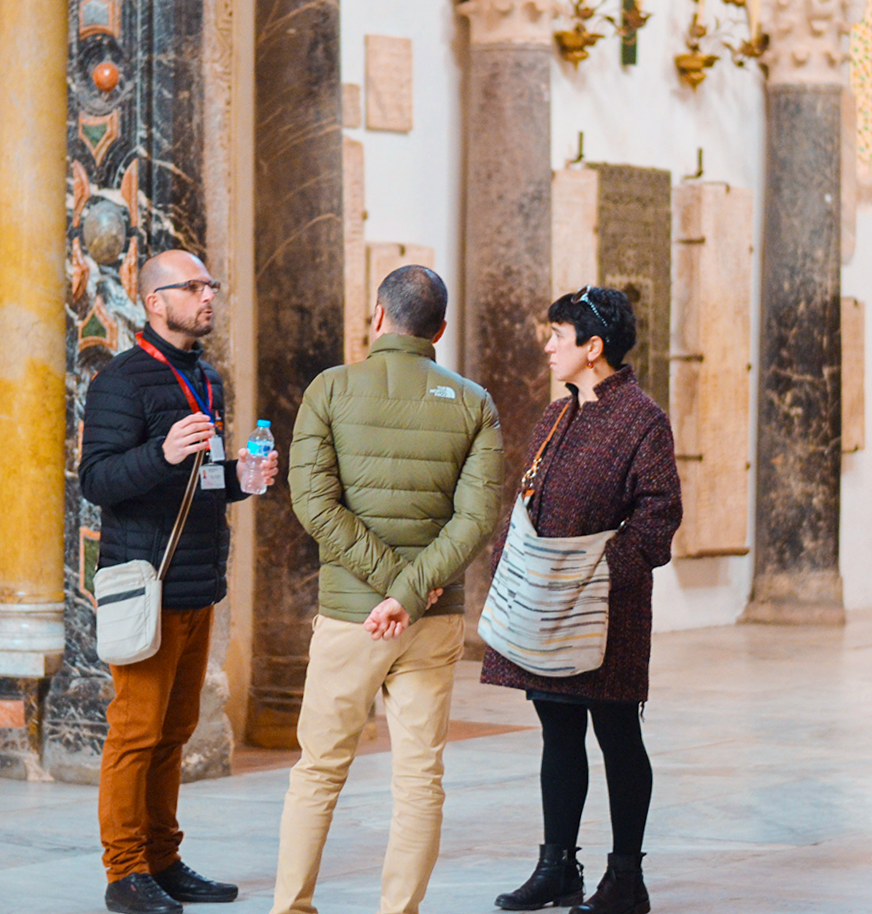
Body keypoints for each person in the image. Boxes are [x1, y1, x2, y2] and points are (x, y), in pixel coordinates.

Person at [274, 265, 504, 914]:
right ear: (441, 329)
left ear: (377, 316)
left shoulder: (331, 389)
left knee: (318, 771)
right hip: (430, 622)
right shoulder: (472, 401)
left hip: (351, 617)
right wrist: (410, 591)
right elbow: (476, 519)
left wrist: (386, 589)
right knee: (420, 780)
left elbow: (314, 505)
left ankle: (292, 907)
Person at [80, 249, 281, 914]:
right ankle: (125, 872)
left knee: (175, 731)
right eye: (191, 286)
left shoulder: (206, 378)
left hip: (196, 584)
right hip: (145, 583)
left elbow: (206, 481)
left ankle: (163, 859)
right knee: (136, 732)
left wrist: (242, 483)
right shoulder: (121, 381)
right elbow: (97, 482)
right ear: (154, 302)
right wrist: (159, 452)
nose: (207, 296)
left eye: (210, 285)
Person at [480, 286, 682, 914]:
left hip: (607, 611)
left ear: (593, 348)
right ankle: (557, 868)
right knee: (557, 732)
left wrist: (598, 575)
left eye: (558, 336)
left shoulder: (643, 418)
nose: (548, 346)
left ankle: (626, 879)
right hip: (544, 606)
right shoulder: (556, 415)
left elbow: (659, 517)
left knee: (618, 736)